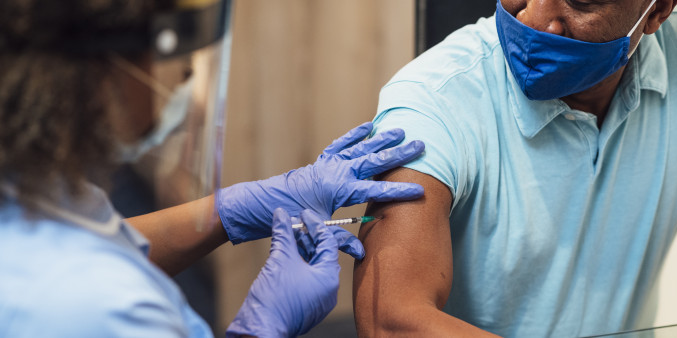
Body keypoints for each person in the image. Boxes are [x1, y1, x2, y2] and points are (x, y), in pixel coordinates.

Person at [0, 0, 425, 337]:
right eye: (155, 55)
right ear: (104, 73)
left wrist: (227, 214)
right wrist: (261, 329)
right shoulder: (110, 310)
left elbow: (96, 241)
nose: (181, 75)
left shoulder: (32, 196)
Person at [353, 0, 677, 337]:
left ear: (657, 10)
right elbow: (391, 321)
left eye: (581, 2)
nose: (535, 19)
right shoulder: (433, 99)